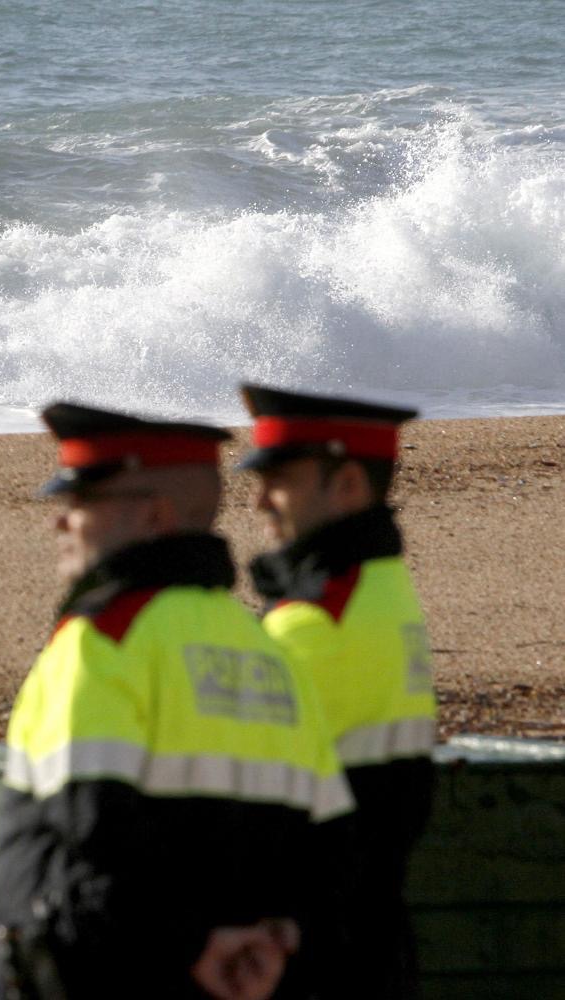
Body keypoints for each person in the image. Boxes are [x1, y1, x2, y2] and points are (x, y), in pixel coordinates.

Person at [0, 401, 354, 1000]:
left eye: (80, 504)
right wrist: (271, 944)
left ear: (153, 516)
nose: (61, 523)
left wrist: (188, 946)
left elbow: (92, 842)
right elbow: (332, 860)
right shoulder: (270, 655)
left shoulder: (103, 644)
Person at [238, 384, 437, 999]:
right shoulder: (383, 588)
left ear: (348, 484)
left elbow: (250, 806)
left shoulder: (317, 620)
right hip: (367, 929)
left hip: (309, 952)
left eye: (282, 481)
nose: (260, 501)